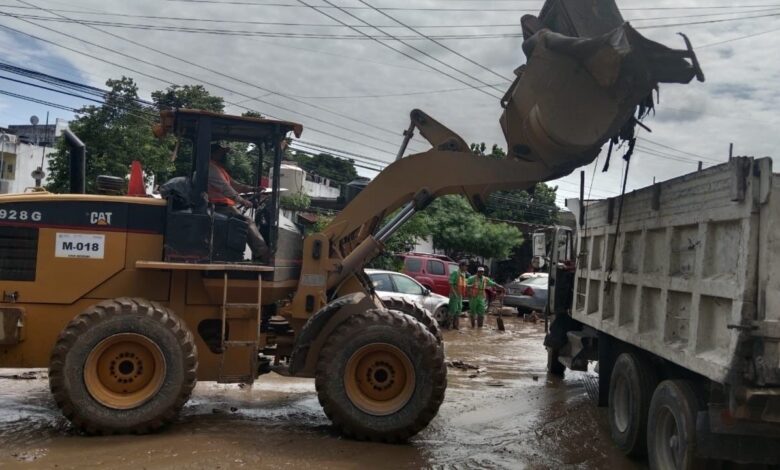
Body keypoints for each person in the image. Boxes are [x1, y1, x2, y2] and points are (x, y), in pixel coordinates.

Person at [208, 143, 270, 261]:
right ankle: (264, 254)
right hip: (217, 207)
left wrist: (253, 189)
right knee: (247, 221)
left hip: (224, 206)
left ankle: (260, 253)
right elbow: (225, 188)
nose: (224, 156)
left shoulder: (218, 168)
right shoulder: (210, 168)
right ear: (213, 154)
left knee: (246, 219)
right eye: (221, 153)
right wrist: (241, 200)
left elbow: (235, 185)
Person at [447, 260, 469, 330]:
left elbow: (463, 284)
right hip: (454, 294)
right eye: (465, 266)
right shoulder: (455, 272)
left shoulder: (463, 274)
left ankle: (455, 325)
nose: (466, 267)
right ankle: (448, 325)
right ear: (461, 266)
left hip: (460, 295)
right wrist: (454, 293)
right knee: (452, 309)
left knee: (459, 309)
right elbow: (450, 283)